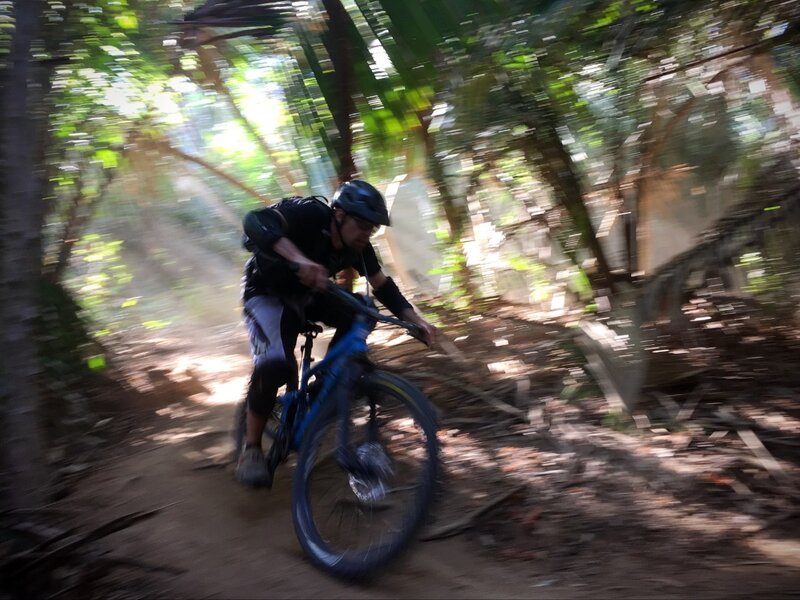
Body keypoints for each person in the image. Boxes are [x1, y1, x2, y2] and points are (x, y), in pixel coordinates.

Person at [237, 179, 436, 487]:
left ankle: (325, 385)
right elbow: (254, 221)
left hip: (308, 298)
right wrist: (299, 260)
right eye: (361, 224)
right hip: (266, 293)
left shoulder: (360, 248)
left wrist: (415, 320)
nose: (365, 233)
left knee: (363, 308)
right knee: (275, 364)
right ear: (339, 215)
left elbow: (383, 286)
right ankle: (250, 448)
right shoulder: (308, 213)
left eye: (371, 228)